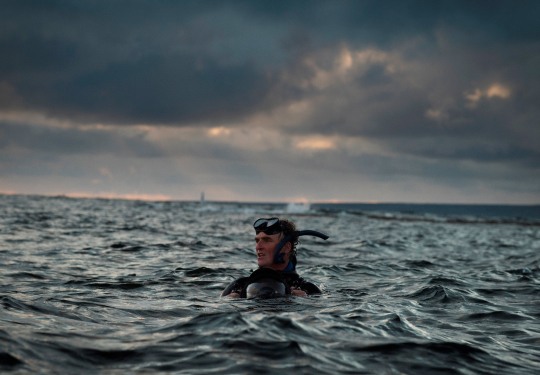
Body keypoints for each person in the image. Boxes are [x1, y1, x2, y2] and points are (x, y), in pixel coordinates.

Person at [221, 217, 326, 298]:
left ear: (286, 247)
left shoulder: (308, 290)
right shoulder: (238, 286)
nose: (258, 247)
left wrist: (302, 301)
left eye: (267, 240)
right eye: (257, 241)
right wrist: (230, 301)